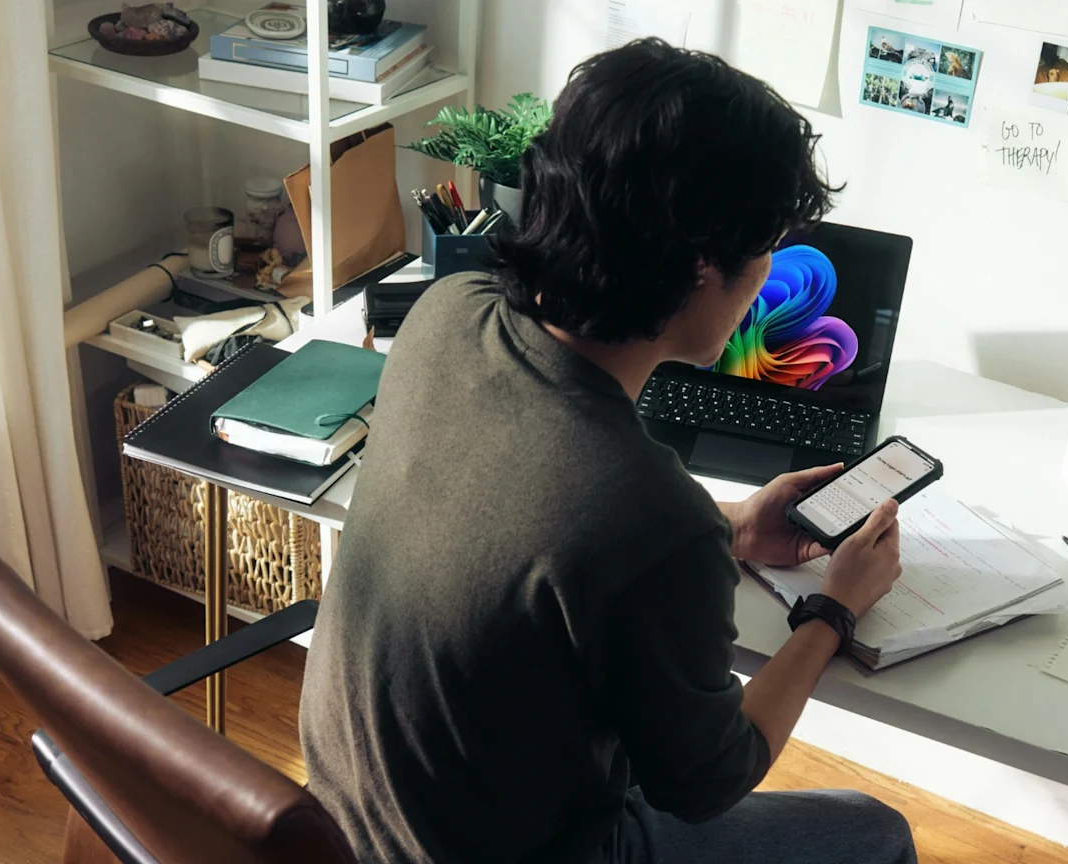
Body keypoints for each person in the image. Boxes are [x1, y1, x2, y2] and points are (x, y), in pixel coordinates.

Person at [300, 38, 917, 864]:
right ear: (704, 268)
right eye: (768, 245)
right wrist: (834, 611)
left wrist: (733, 526)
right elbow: (709, 781)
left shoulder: (448, 311)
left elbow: (528, 510)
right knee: (876, 832)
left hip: (346, 820)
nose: (770, 271)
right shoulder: (648, 514)